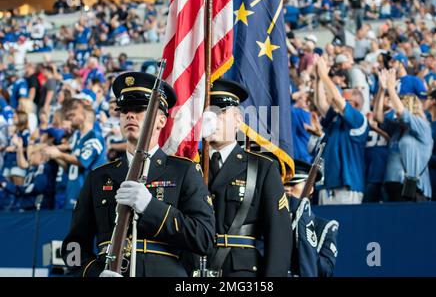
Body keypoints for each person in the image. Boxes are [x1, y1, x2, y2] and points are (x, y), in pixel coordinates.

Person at [61, 72, 215, 277]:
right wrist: (94, 273)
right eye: (124, 110)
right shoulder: (98, 177)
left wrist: (151, 207)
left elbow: (204, 238)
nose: (129, 115)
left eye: (140, 109)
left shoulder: (183, 171)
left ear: (161, 120)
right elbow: (73, 245)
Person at [202, 78, 292, 277]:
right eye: (207, 113)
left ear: (238, 119)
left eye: (221, 112)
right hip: (193, 270)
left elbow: (278, 235)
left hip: (240, 272)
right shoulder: (190, 166)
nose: (213, 119)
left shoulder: (262, 168)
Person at [314, 56, 369, 204]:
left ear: (355, 104)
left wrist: (325, 75)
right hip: (328, 186)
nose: (337, 101)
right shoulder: (336, 119)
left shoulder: (359, 120)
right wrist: (318, 78)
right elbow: (320, 104)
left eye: (346, 100)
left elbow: (338, 100)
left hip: (348, 187)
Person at [374, 69, 433, 201]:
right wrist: (382, 90)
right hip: (392, 185)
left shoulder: (422, 126)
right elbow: (378, 117)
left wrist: (391, 88)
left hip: (413, 189)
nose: (394, 109)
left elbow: (402, 113)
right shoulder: (398, 128)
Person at [43, 99, 107, 209]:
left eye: (73, 114)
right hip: (71, 195)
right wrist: (54, 155)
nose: (68, 116)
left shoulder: (94, 137)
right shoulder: (78, 139)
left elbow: (82, 161)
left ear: (85, 115)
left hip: (86, 197)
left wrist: (58, 154)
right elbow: (71, 168)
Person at [286, 160, 339, 277]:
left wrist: (303, 225)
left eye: (293, 184)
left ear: (310, 189)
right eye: (284, 184)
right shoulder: (268, 220)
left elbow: (325, 271)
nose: (287, 188)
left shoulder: (324, 227)